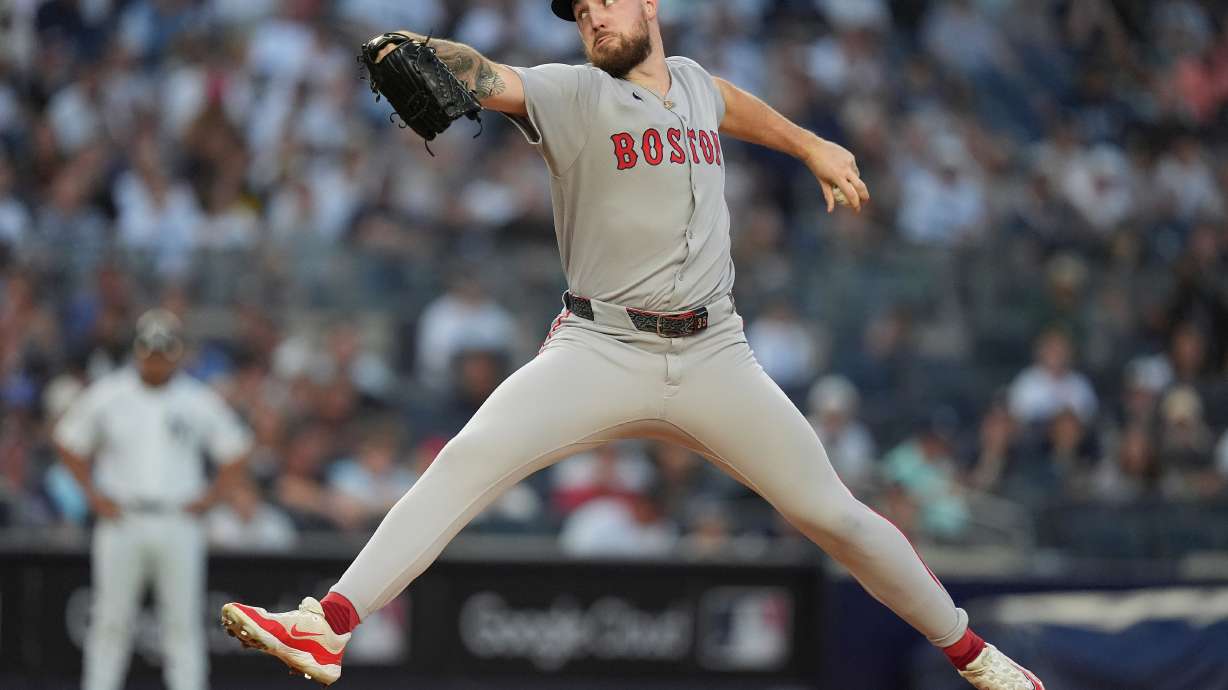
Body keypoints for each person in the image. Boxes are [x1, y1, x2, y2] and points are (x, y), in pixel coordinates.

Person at [221, 2, 1044, 688]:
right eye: (578, 13)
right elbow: (491, 78)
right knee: (467, 459)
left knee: (836, 516)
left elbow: (725, 99)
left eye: (603, 1)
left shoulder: (689, 82)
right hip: (599, 347)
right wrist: (431, 53)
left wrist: (810, 144)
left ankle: (980, 661)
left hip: (716, 354)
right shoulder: (573, 92)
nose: (591, 18)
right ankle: (327, 625)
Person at [55, 309, 252, 690]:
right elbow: (68, 441)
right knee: (111, 619)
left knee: (182, 621)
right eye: (150, 350)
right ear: (137, 350)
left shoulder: (196, 399)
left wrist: (211, 498)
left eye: (165, 351)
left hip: (178, 519)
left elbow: (237, 449)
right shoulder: (110, 393)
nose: (157, 359)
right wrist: (93, 496)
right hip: (122, 518)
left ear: (177, 353)